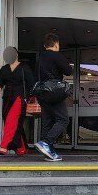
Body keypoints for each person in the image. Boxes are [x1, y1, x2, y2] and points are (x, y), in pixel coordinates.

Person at [33, 33, 73, 162]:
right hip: (54, 92)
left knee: (47, 122)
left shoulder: (39, 58)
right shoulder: (56, 55)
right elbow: (68, 71)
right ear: (56, 44)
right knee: (63, 120)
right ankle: (46, 142)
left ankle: (48, 152)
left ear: (45, 45)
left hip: (42, 93)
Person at [0, 46, 36, 156]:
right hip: (7, 98)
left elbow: (32, 84)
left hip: (20, 97)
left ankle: (4, 146)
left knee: (11, 120)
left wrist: (31, 98)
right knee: (13, 122)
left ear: (16, 55)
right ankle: (21, 147)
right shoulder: (4, 69)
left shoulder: (24, 67)